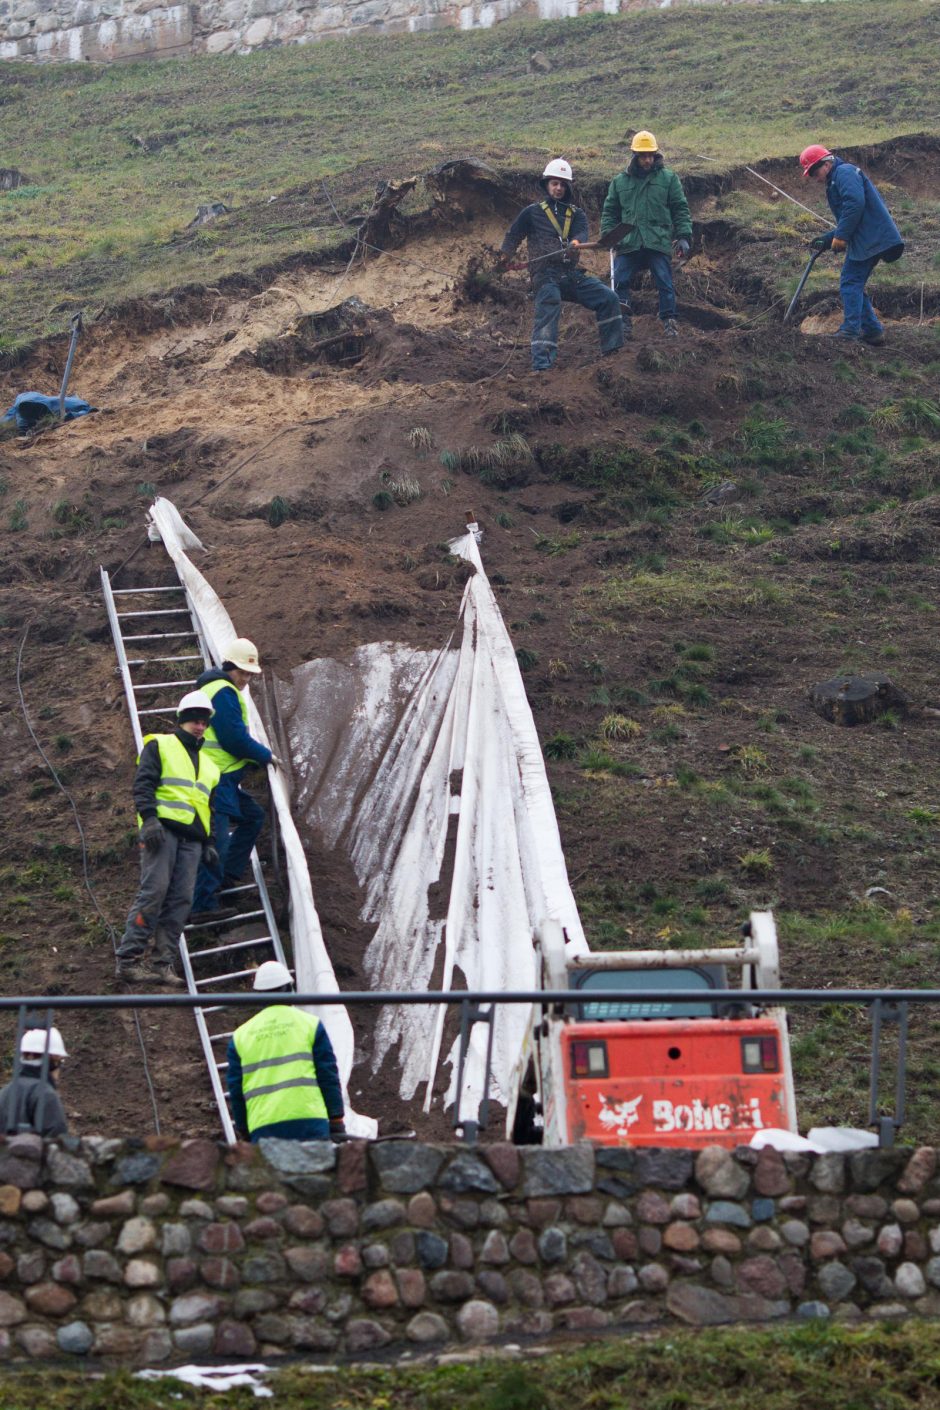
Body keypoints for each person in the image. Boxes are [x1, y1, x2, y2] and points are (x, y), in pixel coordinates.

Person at [115, 690, 220, 985]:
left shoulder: (210, 766)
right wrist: (149, 820)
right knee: (154, 892)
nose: (199, 726)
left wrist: (209, 842)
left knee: (181, 900)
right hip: (163, 832)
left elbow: (206, 806)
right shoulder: (160, 745)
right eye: (194, 721)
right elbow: (143, 784)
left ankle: (163, 963)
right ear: (182, 720)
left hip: (193, 841)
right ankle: (128, 960)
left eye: (203, 722)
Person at [499, 158, 624, 372]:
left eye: (563, 184)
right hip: (544, 274)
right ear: (547, 185)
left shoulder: (577, 214)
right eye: (555, 183)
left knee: (609, 298)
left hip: (570, 274)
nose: (558, 188)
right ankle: (542, 367)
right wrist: (503, 258)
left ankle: (612, 353)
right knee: (550, 301)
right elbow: (513, 236)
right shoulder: (532, 212)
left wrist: (576, 241)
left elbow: (581, 232)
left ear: (568, 188)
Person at [190, 637, 281, 923]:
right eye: (242, 673)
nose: (245, 680)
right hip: (215, 779)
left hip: (222, 778)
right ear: (228, 667)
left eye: (249, 675)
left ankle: (226, 877)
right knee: (217, 840)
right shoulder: (223, 691)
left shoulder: (218, 688)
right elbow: (233, 738)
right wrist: (264, 755)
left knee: (253, 817)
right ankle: (202, 905)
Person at [227, 960, 345, 1142]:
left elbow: (236, 1091)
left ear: (257, 994)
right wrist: (336, 1120)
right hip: (309, 1121)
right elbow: (327, 1075)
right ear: (289, 988)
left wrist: (243, 1130)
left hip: (263, 1127)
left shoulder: (240, 1036)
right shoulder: (310, 1025)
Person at [799, 145, 904, 345]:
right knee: (854, 283)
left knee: (850, 282)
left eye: (814, 171)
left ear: (827, 163)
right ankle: (872, 331)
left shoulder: (844, 172)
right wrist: (827, 239)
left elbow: (855, 204)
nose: (814, 178)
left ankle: (850, 331)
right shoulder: (837, 177)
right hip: (868, 238)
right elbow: (851, 216)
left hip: (871, 239)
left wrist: (841, 236)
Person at [601, 131, 693, 339]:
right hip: (628, 241)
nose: (647, 160)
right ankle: (623, 324)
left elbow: (680, 209)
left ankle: (669, 323)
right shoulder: (620, 182)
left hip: (657, 240)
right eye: (643, 156)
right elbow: (609, 212)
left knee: (664, 281)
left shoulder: (669, 179)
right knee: (620, 280)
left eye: (651, 155)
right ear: (635, 155)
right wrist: (609, 236)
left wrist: (684, 236)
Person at [0, 1028, 69, 1137]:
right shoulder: (46, 1095)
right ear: (53, 1061)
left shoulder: (5, 1092)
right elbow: (58, 1142)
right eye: (60, 1061)